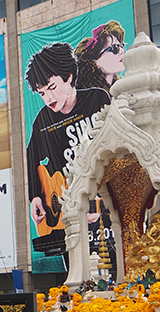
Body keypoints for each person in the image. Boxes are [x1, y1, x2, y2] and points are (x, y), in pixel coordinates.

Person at [25, 42, 110, 254]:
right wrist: (35, 196)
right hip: (66, 214)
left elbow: (117, 148)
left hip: (105, 203)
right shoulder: (42, 121)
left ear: (69, 76)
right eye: (42, 93)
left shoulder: (98, 98)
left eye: (52, 88)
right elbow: (30, 157)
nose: (49, 99)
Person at [74, 21, 127, 92]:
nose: (122, 51)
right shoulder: (92, 97)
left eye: (122, 45)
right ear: (94, 62)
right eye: (115, 48)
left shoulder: (122, 89)